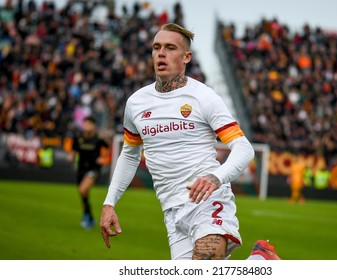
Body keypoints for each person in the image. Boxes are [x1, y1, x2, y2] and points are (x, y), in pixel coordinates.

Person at [100, 23, 281, 260]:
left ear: (186, 57)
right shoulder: (136, 103)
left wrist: (216, 178)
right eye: (156, 47)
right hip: (171, 210)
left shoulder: (203, 97)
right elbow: (130, 154)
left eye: (170, 48)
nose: (161, 53)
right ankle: (259, 262)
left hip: (208, 201)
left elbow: (243, 148)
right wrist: (109, 202)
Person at [69, 116, 109, 229]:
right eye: (85, 123)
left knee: (83, 189)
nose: (87, 126)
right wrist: (71, 156)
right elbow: (74, 149)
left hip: (94, 168)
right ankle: (89, 216)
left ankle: (87, 216)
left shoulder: (98, 138)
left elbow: (107, 148)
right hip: (81, 168)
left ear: (93, 125)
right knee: (83, 193)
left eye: (89, 124)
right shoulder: (78, 138)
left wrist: (102, 158)